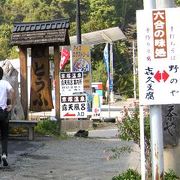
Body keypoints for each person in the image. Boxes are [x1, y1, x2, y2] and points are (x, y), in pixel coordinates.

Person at [0, 67, 15, 166]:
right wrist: (11, 105)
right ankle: (4, 154)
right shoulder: (4, 83)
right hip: (3, 112)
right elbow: (12, 91)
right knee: (4, 136)